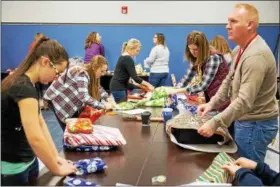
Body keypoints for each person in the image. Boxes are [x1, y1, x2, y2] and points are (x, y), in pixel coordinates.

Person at [196, 3, 279, 163]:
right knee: (241, 167)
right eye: (228, 22)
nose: (227, 26)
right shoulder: (239, 49)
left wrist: (215, 123)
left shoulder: (256, 56)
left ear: (250, 25)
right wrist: (211, 104)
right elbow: (228, 82)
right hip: (247, 121)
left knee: (247, 173)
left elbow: (244, 101)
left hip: (255, 125)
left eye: (233, 21)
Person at [1, 36, 76, 185]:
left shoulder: (29, 83)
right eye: (57, 72)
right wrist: (56, 169)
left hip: (29, 159)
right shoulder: (23, 88)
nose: (56, 78)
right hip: (13, 167)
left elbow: (41, 123)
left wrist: (55, 157)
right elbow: (35, 138)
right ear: (45, 62)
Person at [44, 55, 113, 130]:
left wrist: (107, 98)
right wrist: (103, 106)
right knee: (70, 129)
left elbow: (98, 87)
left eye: (105, 71)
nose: (103, 74)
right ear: (94, 67)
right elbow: (84, 97)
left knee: (74, 127)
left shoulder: (91, 73)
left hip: (64, 98)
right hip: (56, 98)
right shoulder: (82, 73)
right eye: (101, 71)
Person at [170, 31, 230, 111]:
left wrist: (178, 90)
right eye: (190, 49)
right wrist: (174, 89)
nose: (192, 52)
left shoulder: (213, 58)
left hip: (223, 99)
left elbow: (202, 86)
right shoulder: (195, 57)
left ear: (203, 48)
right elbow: (187, 78)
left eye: (195, 49)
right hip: (212, 98)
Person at [110, 38, 154, 103]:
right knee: (122, 110)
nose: (137, 53)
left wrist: (143, 87)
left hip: (118, 87)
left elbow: (130, 80)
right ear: (131, 48)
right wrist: (149, 85)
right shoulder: (127, 58)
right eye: (137, 51)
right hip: (118, 88)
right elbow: (135, 78)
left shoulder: (123, 56)